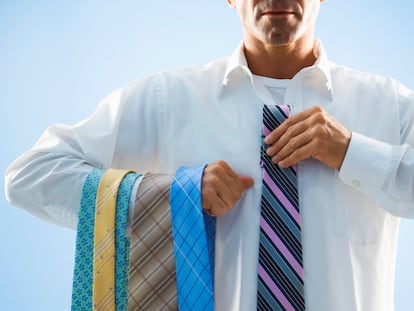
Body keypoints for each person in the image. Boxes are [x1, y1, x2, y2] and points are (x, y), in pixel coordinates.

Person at [5, 0, 414, 310]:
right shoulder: (167, 101)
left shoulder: (390, 106)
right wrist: (173, 194)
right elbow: (29, 177)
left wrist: (353, 153)